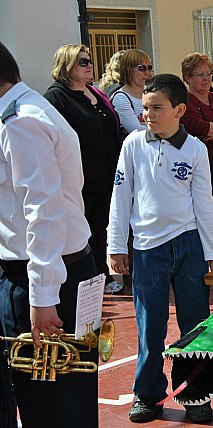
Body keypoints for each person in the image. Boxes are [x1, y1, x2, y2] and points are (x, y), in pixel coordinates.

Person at [107, 74, 213, 423]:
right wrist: (116, 245)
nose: (148, 114)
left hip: (188, 246)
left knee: (195, 325)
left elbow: (204, 203)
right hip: (147, 249)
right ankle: (147, 395)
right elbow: (120, 198)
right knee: (150, 326)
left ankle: (195, 395)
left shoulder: (195, 149)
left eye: (156, 107)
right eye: (145, 108)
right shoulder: (132, 145)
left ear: (178, 110)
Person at [0, 40, 99, 428]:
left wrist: (42, 297)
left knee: (48, 404)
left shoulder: (21, 120)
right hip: (69, 267)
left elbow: (42, 210)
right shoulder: (32, 110)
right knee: (72, 399)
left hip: (44, 276)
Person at [43, 44, 124, 295]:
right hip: (79, 178)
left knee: (99, 227)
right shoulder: (56, 97)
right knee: (82, 231)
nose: (89, 65)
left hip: (105, 173)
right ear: (66, 66)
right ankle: (84, 281)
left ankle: (100, 275)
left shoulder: (94, 92)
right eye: (82, 62)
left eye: (89, 61)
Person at [180, 52, 213, 223]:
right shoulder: (186, 102)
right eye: (200, 75)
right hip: (202, 165)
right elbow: (201, 128)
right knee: (209, 209)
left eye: (208, 74)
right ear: (187, 77)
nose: (206, 78)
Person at [111, 48, 153, 135]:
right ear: (128, 70)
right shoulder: (121, 98)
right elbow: (135, 129)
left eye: (149, 68)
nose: (147, 73)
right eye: (142, 68)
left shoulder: (152, 93)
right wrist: (165, 132)